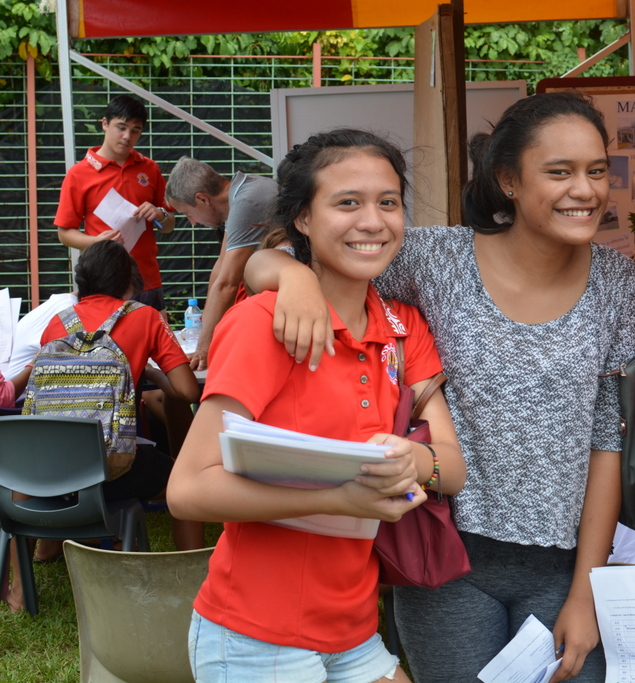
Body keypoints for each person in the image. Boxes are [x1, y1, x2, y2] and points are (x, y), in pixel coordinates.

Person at [245, 92, 635, 682]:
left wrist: (587, 591)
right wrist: (293, 278)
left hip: (564, 567)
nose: (584, 190)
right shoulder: (438, 258)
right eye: (559, 171)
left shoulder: (619, 283)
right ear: (508, 179)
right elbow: (279, 257)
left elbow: (605, 443)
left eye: (595, 171)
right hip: (445, 557)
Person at [166, 129, 464, 683]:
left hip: (355, 630)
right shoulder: (264, 324)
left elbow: (452, 466)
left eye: (388, 202)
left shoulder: (403, 328)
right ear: (302, 218)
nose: (373, 221)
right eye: (347, 203)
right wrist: (341, 497)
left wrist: (412, 461)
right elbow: (187, 490)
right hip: (257, 635)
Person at [3, 240, 199, 612]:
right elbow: (187, 390)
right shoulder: (144, 316)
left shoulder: (59, 321)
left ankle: (19, 590)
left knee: (53, 464)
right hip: (109, 469)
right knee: (179, 479)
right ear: (129, 278)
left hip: (42, 470)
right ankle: (190, 576)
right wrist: (150, 371)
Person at [54, 94, 174, 316]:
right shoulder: (78, 174)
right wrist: (96, 242)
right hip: (103, 279)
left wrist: (160, 214)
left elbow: (169, 225)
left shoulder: (149, 169)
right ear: (104, 124)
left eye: (135, 130)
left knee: (155, 345)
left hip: (147, 277)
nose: (127, 136)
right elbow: (64, 233)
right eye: (121, 127)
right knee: (105, 347)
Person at [165, 158, 279, 370]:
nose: (192, 222)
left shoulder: (247, 202)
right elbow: (220, 267)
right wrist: (203, 336)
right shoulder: (241, 193)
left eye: (187, 213)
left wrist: (205, 349)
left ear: (202, 199)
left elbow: (228, 282)